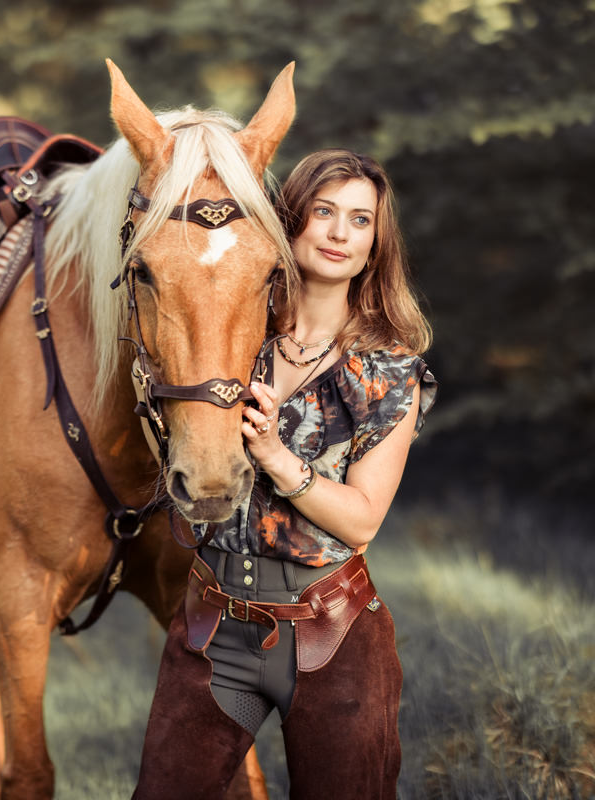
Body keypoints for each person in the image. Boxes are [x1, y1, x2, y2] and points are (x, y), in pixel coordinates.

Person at [133, 149, 437, 800]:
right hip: (214, 623)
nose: (337, 233)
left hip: (332, 630)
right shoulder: (238, 340)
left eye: (360, 220)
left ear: (376, 244)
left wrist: (274, 453)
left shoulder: (388, 371)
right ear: (290, 221)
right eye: (323, 212)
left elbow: (363, 520)